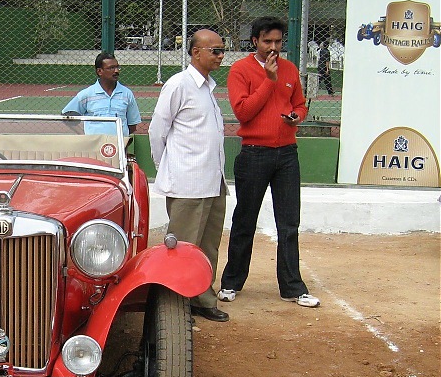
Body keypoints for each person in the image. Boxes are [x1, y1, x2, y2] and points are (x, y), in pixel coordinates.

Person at [218, 16, 320, 308]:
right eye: (267, 42)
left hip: (287, 153)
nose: (274, 47)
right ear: (254, 42)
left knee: (289, 223)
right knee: (244, 220)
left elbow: (299, 104)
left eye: (278, 41)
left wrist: (296, 117)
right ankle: (231, 282)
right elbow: (243, 112)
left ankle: (292, 287)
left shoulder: (290, 69)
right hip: (254, 153)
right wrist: (268, 80)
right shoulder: (241, 70)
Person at [148, 29, 229, 323]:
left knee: (208, 245)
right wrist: (167, 167)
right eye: (215, 51)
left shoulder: (208, 87)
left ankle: (202, 299)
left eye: (222, 50)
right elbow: (157, 131)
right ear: (196, 53)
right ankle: (176, 309)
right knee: (181, 247)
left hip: (213, 181)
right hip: (187, 183)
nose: (221, 56)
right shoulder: (179, 84)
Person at [62, 52, 141, 136]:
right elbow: (66, 116)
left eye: (117, 67)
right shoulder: (87, 94)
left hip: (119, 146)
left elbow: (132, 125)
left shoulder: (127, 94)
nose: (116, 71)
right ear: (99, 71)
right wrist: (85, 135)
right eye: (111, 68)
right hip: (94, 147)